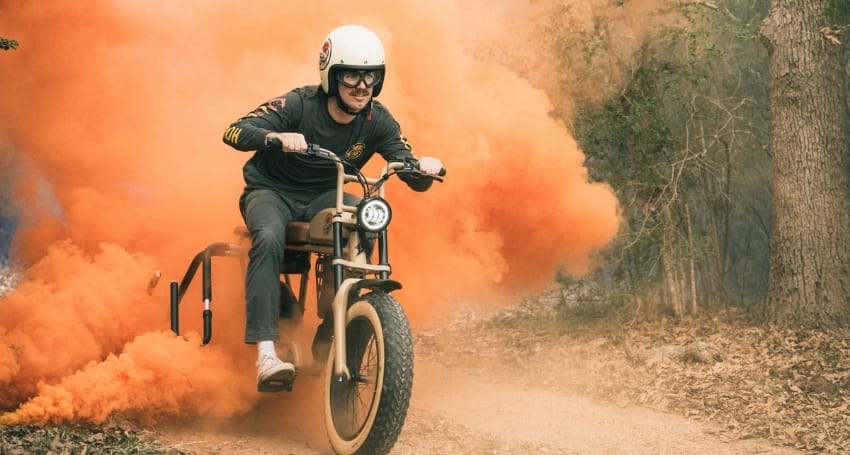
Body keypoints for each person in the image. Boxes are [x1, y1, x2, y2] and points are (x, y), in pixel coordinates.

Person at [222, 24, 444, 390]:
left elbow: (409, 170)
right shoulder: (297, 104)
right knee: (268, 235)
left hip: (327, 196)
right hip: (271, 191)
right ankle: (266, 354)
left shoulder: (378, 121)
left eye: (370, 76)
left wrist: (424, 167)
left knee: (364, 219)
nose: (362, 86)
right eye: (352, 75)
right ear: (331, 75)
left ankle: (332, 329)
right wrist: (274, 137)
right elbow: (233, 131)